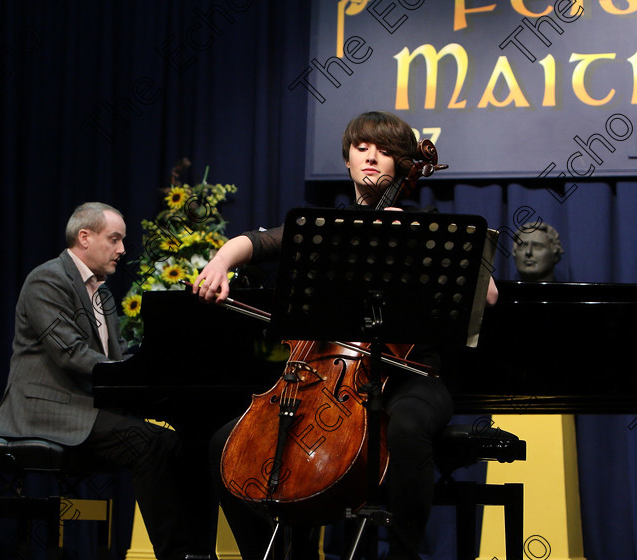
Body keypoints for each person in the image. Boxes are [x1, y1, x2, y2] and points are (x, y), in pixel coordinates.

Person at [193, 111, 498, 559]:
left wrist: (407, 234)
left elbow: (487, 295)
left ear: (402, 165)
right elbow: (256, 243)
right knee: (226, 444)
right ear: (347, 160)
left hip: (412, 377)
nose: (373, 156)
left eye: (388, 150)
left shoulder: (427, 226)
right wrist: (220, 262)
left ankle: (404, 553)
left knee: (409, 428)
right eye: (362, 147)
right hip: (324, 376)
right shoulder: (325, 228)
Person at [0, 202, 214, 560]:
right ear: (84, 237)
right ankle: (176, 554)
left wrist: (153, 373)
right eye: (115, 239)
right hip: (45, 409)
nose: (122, 250)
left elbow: (115, 360)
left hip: (84, 404)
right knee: (149, 443)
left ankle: (198, 552)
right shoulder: (47, 280)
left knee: (185, 444)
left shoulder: (101, 292)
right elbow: (70, 354)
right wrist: (128, 373)